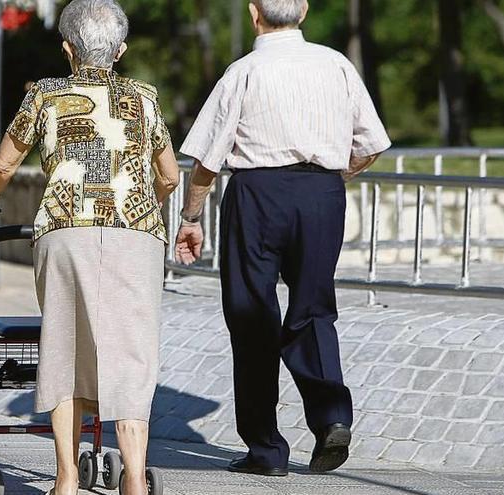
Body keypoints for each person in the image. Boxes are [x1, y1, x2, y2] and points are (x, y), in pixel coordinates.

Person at [174, 0, 390, 477]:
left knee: (252, 316)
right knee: (313, 309)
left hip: (258, 193)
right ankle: (332, 416)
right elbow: (371, 144)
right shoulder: (337, 65)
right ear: (305, 11)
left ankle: (267, 451)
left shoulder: (244, 71)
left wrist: (191, 215)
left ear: (255, 14)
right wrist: (326, 182)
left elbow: (208, 158)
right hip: (322, 194)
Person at [0, 1, 179, 493]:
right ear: (121, 51)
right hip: (137, 234)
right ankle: (132, 477)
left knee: (64, 347)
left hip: (65, 231)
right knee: (131, 354)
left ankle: (66, 477)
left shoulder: (45, 95)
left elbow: (2, 168)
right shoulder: (144, 97)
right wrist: (146, 200)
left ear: (67, 48)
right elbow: (168, 173)